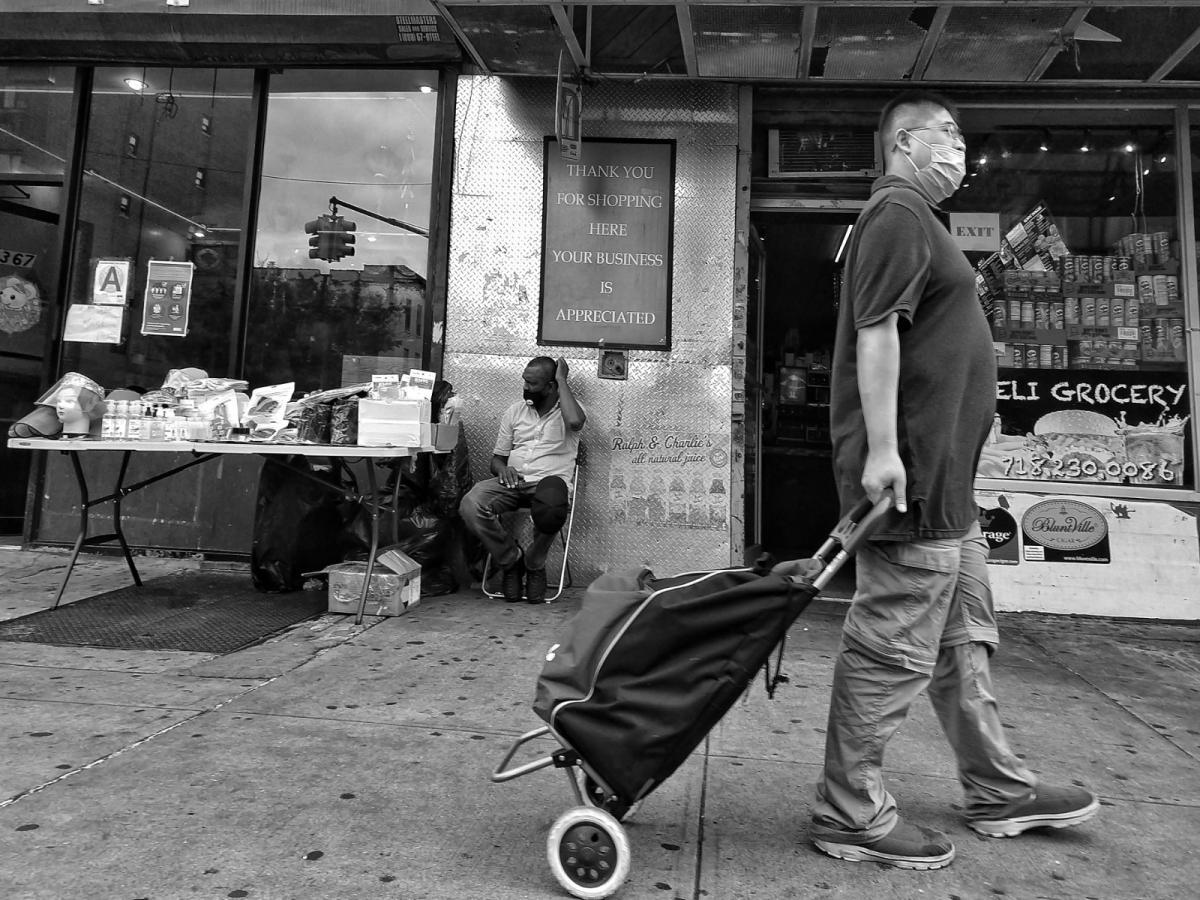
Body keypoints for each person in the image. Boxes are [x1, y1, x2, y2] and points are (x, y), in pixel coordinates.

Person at [775, 90, 1098, 870]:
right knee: (890, 650)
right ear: (903, 143)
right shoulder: (896, 213)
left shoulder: (923, 221)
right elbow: (877, 333)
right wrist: (884, 452)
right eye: (946, 133)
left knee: (962, 643)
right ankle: (848, 810)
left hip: (949, 490)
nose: (959, 147)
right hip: (912, 483)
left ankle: (998, 788)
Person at [459, 355, 585, 603]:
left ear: (551, 386)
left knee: (552, 506)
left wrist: (562, 379)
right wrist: (502, 469)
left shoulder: (570, 409)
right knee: (470, 503)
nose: (525, 387)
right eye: (525, 381)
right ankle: (511, 560)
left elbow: (575, 421)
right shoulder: (515, 411)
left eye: (532, 383)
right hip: (513, 483)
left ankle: (534, 562)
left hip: (549, 484)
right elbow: (497, 459)